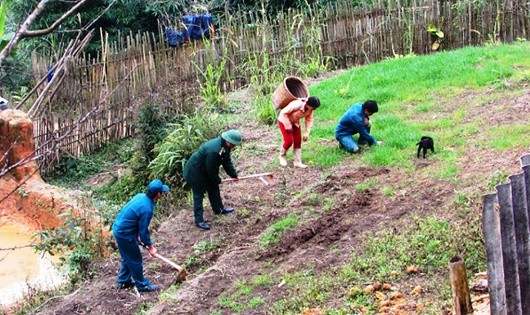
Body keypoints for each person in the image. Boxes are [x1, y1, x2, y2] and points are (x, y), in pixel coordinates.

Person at [112, 179, 169, 292]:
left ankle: (123, 281)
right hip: (124, 233)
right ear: (158, 194)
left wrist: (137, 234)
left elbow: (135, 219)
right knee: (135, 259)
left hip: (118, 228)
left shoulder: (140, 196)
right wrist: (150, 246)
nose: (163, 194)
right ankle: (142, 286)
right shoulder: (147, 209)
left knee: (127, 257)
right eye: (162, 192)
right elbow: (144, 232)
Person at [183, 129, 242, 230]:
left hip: (205, 170)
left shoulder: (225, 147)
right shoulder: (214, 150)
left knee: (213, 188)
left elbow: (226, 161)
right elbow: (211, 169)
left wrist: (233, 174)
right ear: (228, 141)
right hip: (195, 172)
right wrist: (217, 179)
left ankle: (218, 209)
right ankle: (199, 221)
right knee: (198, 194)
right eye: (233, 144)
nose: (234, 146)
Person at [277, 96, 321, 168]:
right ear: (308, 104)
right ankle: (282, 156)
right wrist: (288, 125)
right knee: (289, 141)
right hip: (284, 121)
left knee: (298, 141)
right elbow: (283, 113)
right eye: (313, 108)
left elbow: (309, 120)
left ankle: (297, 161)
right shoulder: (296, 105)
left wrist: (307, 132)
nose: (314, 110)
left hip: (295, 122)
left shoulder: (310, 110)